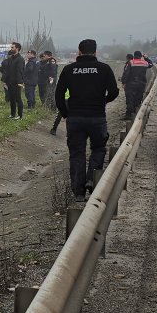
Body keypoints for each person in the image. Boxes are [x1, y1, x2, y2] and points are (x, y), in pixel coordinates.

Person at [55, 38, 119, 201]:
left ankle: (78, 192)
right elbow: (114, 91)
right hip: (97, 117)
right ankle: (92, 179)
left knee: (77, 153)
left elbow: (59, 94)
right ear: (95, 52)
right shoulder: (104, 69)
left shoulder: (69, 69)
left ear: (79, 52)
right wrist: (102, 101)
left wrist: (65, 112)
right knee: (98, 149)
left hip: (75, 118)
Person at [120, 50, 150, 119]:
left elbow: (126, 73)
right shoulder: (145, 63)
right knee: (138, 98)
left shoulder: (131, 62)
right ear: (141, 56)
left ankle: (129, 114)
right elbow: (150, 64)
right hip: (142, 84)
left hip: (131, 83)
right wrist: (146, 58)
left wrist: (124, 82)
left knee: (130, 99)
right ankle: (136, 113)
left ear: (134, 55)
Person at [1, 42, 26, 119]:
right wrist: (4, 81)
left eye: (12, 47)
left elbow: (20, 71)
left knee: (18, 99)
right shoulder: (10, 58)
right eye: (11, 47)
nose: (11, 49)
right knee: (11, 98)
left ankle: (20, 115)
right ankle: (12, 114)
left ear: (17, 49)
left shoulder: (20, 59)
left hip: (16, 83)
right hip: (10, 82)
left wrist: (20, 82)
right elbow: (7, 71)